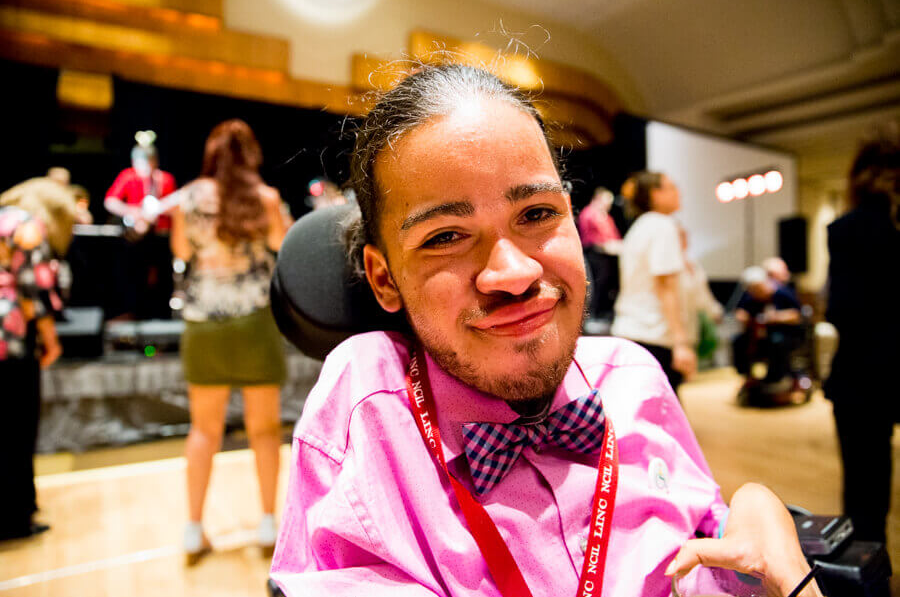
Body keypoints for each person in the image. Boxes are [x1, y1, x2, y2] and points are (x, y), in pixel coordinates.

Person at [270, 65, 820, 597]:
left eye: (536, 214)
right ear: (385, 279)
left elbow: (701, 536)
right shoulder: (369, 400)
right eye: (445, 236)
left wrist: (750, 531)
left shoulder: (632, 375)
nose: (513, 274)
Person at [170, 119, 288, 564]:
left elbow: (181, 253)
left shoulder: (189, 198)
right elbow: (280, 241)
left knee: (203, 430)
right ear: (249, 155)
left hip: (204, 325)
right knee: (265, 430)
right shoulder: (265, 197)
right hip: (255, 324)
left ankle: (194, 527)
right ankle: (266, 522)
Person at [825, 122, 900, 546]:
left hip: (861, 376)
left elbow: (842, 309)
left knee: (864, 497)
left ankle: (868, 582)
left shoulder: (846, 229)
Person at [0, 180, 76, 541]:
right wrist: (51, 340)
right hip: (11, 341)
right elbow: (34, 289)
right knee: (17, 426)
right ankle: (15, 517)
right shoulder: (29, 225)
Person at [611, 171, 696, 394]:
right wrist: (680, 343)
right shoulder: (661, 225)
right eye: (671, 187)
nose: (678, 192)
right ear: (655, 195)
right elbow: (665, 286)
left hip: (635, 332)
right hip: (653, 336)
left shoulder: (641, 226)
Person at [106, 130, 177, 319]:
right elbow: (110, 201)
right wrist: (134, 212)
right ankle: (133, 313)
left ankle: (161, 317)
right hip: (136, 240)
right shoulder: (128, 176)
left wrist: (159, 209)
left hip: (160, 237)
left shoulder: (165, 179)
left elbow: (175, 207)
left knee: (161, 279)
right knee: (134, 277)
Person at [732, 266, 802, 385]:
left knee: (776, 342)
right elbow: (740, 311)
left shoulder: (782, 293)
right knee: (738, 341)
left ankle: (774, 379)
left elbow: (797, 315)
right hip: (758, 335)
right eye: (752, 290)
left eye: (758, 288)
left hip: (783, 333)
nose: (756, 292)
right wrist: (744, 317)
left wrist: (777, 317)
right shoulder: (750, 297)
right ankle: (747, 377)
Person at [676, 224, 723, 361]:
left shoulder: (693, 264)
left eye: (685, 238)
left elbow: (703, 293)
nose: (685, 242)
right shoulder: (668, 266)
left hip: (695, 320)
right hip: (675, 325)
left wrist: (714, 310)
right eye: (681, 238)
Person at [578, 188, 622, 320]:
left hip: (607, 253)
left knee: (607, 283)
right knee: (597, 284)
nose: (609, 204)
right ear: (598, 199)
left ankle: (602, 311)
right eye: (607, 200)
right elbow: (591, 237)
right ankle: (593, 314)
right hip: (594, 253)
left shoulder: (606, 217)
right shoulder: (589, 214)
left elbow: (613, 236)